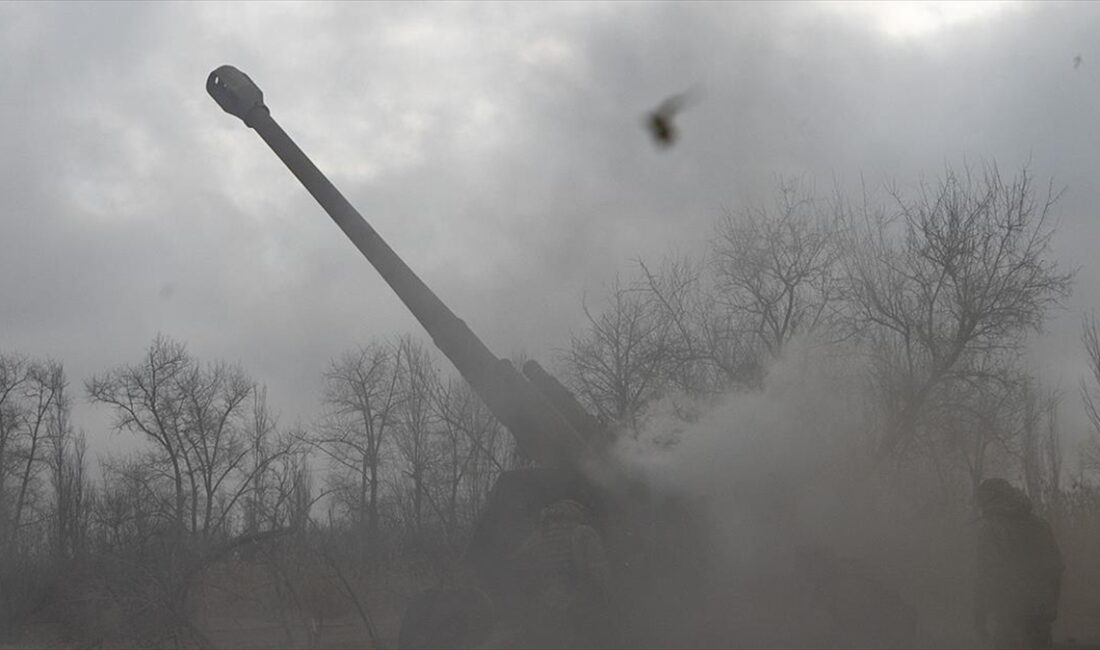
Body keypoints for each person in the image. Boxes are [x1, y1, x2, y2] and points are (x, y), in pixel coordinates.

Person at [973, 478, 1064, 649]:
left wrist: (980, 616)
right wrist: (1053, 606)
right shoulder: (1040, 525)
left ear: (988, 500)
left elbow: (985, 576)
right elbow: (1056, 570)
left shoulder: (990, 529)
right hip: (1041, 611)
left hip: (1009, 616)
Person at [512, 499, 611, 648]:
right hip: (579, 601)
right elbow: (599, 571)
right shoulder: (584, 532)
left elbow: (518, 565)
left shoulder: (535, 538)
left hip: (546, 602)